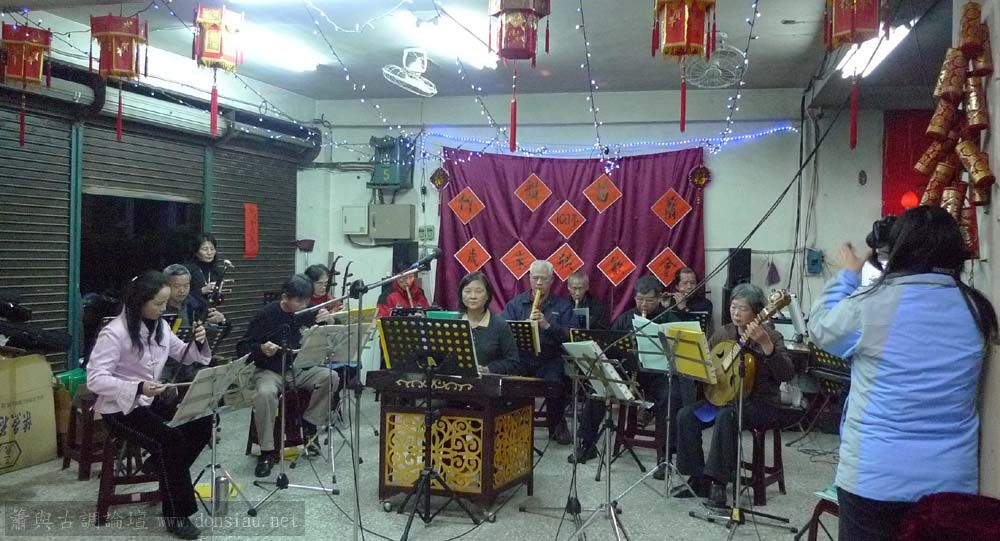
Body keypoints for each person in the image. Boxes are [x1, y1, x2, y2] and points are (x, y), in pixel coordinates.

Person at [808, 206, 997, 541]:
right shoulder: (976, 308)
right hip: (950, 482)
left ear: (899, 249)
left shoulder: (871, 304)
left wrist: (849, 276)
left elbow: (822, 328)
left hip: (875, 478)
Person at [86, 271, 212, 540]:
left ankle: (159, 465)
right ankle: (177, 515)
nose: (164, 308)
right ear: (139, 301)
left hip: (149, 400)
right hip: (119, 408)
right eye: (158, 303)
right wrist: (137, 387)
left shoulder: (161, 326)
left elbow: (185, 354)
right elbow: (95, 379)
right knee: (171, 441)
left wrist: (199, 340)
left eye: (165, 302)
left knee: (202, 421)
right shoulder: (115, 333)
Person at [675, 283, 797, 506]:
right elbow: (706, 361)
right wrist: (703, 372)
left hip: (759, 403)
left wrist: (766, 346)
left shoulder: (772, 336)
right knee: (686, 415)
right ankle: (698, 478)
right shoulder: (724, 332)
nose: (736, 313)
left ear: (757, 311)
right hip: (722, 399)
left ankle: (718, 484)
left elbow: (787, 374)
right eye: (733, 307)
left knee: (726, 416)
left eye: (743, 308)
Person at [569, 275, 685, 481]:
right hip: (630, 374)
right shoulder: (626, 318)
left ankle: (664, 456)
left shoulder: (669, 319)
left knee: (671, 396)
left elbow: (680, 354)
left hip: (658, 376)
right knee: (599, 387)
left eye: (649, 300)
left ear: (659, 299)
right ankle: (587, 444)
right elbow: (610, 348)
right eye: (640, 299)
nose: (644, 304)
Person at [243, 275, 338, 478]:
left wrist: (330, 320)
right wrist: (261, 348)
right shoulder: (265, 315)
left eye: (306, 301)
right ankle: (267, 451)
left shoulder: (307, 310)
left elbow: (332, 330)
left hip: (299, 368)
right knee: (265, 393)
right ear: (285, 297)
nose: (304, 305)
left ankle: (310, 425)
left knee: (330, 377)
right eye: (299, 301)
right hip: (270, 370)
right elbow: (242, 347)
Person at [501, 260, 575, 445]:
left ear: (552, 280)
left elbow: (572, 336)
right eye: (535, 278)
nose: (539, 282)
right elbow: (502, 331)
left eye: (544, 278)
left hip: (550, 358)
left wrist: (547, 325)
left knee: (556, 381)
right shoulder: (516, 304)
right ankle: (513, 424)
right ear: (529, 278)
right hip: (522, 356)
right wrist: (522, 328)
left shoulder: (563, 306)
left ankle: (557, 424)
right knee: (508, 378)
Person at [161, 264, 228, 385]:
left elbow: (221, 332)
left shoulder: (196, 303)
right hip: (165, 365)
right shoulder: (159, 308)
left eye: (186, 286)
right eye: (176, 286)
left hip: (192, 364)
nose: (182, 290)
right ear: (165, 286)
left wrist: (221, 322)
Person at [456, 272, 520, 375]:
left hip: (487, 382)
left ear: (487, 295)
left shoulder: (500, 325)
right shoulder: (454, 323)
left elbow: (513, 363)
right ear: (461, 294)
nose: (473, 296)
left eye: (478, 291)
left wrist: (488, 369)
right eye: (467, 291)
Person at [663, 267, 714, 337]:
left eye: (693, 283)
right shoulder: (670, 302)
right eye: (685, 283)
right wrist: (664, 308)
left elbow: (697, 330)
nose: (689, 287)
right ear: (677, 286)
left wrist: (684, 308)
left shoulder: (705, 304)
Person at [183, 233, 224, 307]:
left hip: (210, 310)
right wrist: (202, 291)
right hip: (189, 310)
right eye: (205, 249)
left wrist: (218, 293)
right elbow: (180, 295)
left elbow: (218, 302)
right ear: (196, 251)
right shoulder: (186, 270)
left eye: (212, 249)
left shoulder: (217, 271)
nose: (209, 253)